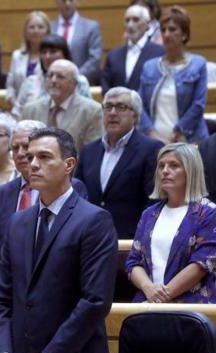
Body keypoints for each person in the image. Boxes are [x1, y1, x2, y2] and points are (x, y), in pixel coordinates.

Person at [0, 127, 117, 353]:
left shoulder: (94, 220)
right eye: (30, 157)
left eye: (45, 157)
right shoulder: (17, 222)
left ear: (69, 164)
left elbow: (95, 301)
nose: (33, 164)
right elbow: (3, 299)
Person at [0, 120, 87, 286]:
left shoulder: (73, 188)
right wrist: (2, 285)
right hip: (10, 287)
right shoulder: (2, 193)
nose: (21, 153)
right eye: (15, 148)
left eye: (26, 147)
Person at [126, 143, 216, 303]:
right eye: (161, 166)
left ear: (191, 171)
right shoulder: (149, 214)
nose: (165, 171)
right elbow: (134, 261)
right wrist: (148, 288)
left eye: (174, 165)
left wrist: (160, 298)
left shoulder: (209, 212)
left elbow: (202, 264)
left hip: (190, 307)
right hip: (147, 303)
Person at [75, 87, 162, 239]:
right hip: (89, 236)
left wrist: (140, 236)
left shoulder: (152, 149)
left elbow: (154, 200)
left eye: (121, 107)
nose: (112, 113)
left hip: (130, 239)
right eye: (108, 107)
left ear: (135, 116)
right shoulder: (89, 150)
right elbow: (78, 193)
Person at [138, 5, 208, 144]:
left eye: (172, 29)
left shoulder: (198, 64)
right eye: (163, 30)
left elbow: (198, 105)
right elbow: (139, 104)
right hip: (154, 140)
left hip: (190, 139)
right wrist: (152, 134)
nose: (166, 34)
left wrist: (178, 133)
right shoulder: (149, 67)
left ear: (185, 34)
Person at [21, 59, 103, 153]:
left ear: (74, 83)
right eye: (50, 76)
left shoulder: (93, 111)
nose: (53, 80)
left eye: (60, 76)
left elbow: (92, 154)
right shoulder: (30, 109)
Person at [11, 34, 91, 119]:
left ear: (65, 55)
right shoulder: (30, 82)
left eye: (53, 52)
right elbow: (18, 114)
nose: (47, 56)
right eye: (43, 52)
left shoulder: (79, 81)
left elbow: (88, 113)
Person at [101, 5, 165, 94]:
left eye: (136, 20)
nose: (130, 25)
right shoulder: (113, 55)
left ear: (148, 25)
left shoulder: (159, 53)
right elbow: (105, 87)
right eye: (127, 20)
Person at [5, 11, 51, 107]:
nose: (36, 31)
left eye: (40, 27)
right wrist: (14, 103)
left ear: (47, 30)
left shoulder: (50, 56)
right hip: (18, 109)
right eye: (32, 27)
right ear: (25, 31)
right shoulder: (17, 56)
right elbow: (10, 86)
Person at [51, 0, 102, 84]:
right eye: (63, 0)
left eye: (71, 0)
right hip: (54, 83)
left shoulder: (91, 27)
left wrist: (74, 77)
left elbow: (95, 59)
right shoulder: (50, 27)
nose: (67, 4)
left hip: (81, 82)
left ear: (77, 1)